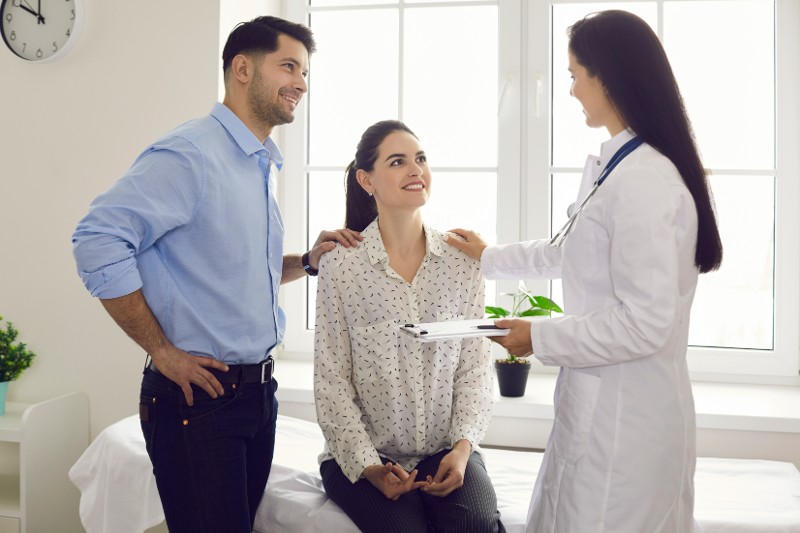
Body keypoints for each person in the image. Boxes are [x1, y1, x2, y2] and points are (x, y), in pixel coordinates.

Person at [72, 16, 361, 533]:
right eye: (289, 66)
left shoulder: (255, 161)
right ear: (243, 68)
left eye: (305, 71)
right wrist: (163, 352)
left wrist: (308, 261)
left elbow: (238, 272)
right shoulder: (192, 153)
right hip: (199, 401)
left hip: (257, 396)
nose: (301, 82)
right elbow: (96, 239)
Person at [445, 10, 723, 533]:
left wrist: (538, 335)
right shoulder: (620, 164)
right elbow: (574, 253)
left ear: (608, 77)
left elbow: (646, 323)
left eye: (574, 75)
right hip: (599, 411)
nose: (570, 90)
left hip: (626, 425)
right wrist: (488, 255)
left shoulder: (645, 181)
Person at [313, 120, 505, 533]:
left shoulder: (463, 263)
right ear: (367, 180)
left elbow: (474, 369)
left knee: (474, 525)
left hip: (445, 450)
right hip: (367, 456)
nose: (415, 170)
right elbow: (331, 381)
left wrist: (462, 450)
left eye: (420, 159)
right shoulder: (340, 267)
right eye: (398, 162)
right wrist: (369, 467)